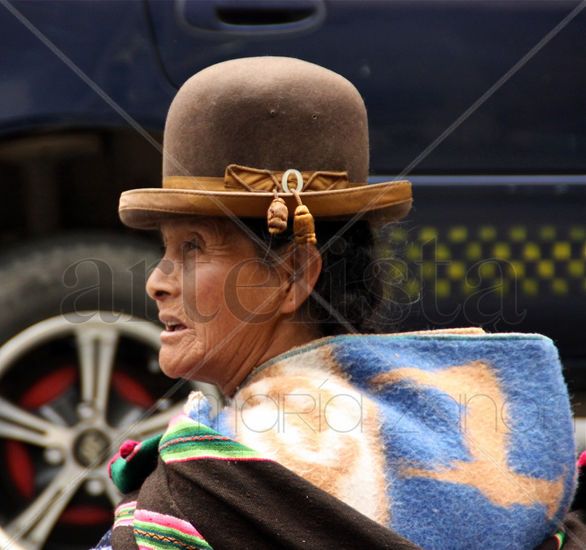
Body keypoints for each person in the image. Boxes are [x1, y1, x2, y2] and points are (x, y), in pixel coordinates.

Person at [99, 57, 577, 549]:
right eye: (166, 250)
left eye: (193, 247)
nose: (157, 281)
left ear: (292, 275)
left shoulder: (205, 495)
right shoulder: (499, 460)